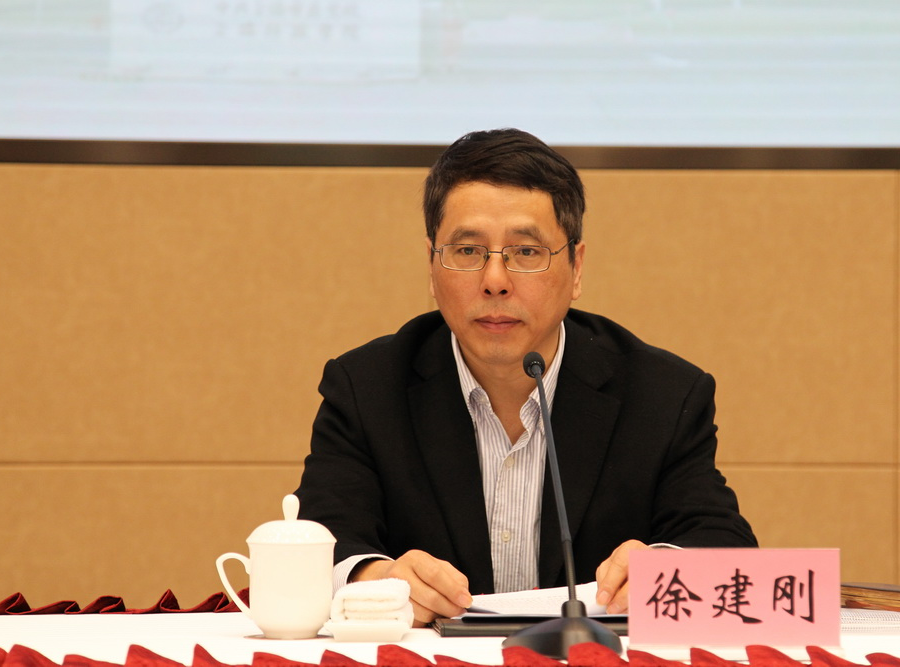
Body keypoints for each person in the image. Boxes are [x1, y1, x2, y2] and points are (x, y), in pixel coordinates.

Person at [294, 128, 756, 627]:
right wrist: (376, 579)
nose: (495, 281)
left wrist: (665, 569)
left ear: (576, 268)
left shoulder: (662, 396)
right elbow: (320, 541)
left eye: (527, 252)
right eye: (468, 251)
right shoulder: (366, 389)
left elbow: (724, 546)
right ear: (431, 266)